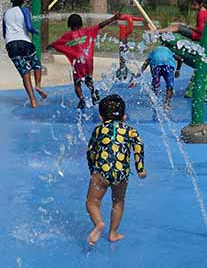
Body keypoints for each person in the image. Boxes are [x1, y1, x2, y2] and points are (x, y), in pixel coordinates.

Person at [85, 94, 146, 245]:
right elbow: (138, 148)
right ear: (124, 116)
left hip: (102, 172)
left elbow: (91, 150)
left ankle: (99, 223)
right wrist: (140, 169)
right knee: (118, 201)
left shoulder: (99, 130)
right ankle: (113, 233)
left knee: (92, 202)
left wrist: (92, 169)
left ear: (100, 116)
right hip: (121, 174)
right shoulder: (131, 131)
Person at [47, 13, 120, 109]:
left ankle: (82, 99)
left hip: (78, 62)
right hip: (88, 60)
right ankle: (93, 94)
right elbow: (100, 25)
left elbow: (57, 44)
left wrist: (50, 46)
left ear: (69, 24)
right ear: (81, 23)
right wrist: (113, 19)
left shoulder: (67, 36)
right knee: (89, 80)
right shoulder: (88, 31)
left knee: (77, 83)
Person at [2, 0, 46, 107]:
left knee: (25, 73)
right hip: (24, 42)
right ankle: (38, 85)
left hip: (11, 44)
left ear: (11, 0)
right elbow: (29, 27)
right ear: (23, 1)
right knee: (36, 64)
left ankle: (32, 100)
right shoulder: (25, 10)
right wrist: (36, 31)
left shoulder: (6, 13)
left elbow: (4, 32)